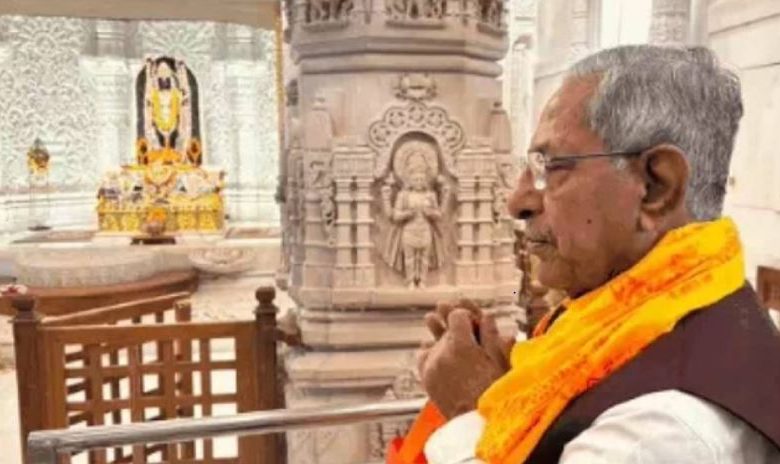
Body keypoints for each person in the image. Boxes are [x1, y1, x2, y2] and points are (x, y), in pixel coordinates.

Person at [394, 45, 780, 463]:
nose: (517, 201)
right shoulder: (670, 311)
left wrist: (470, 411)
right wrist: (511, 390)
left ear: (656, 188)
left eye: (551, 167)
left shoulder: (660, 430)